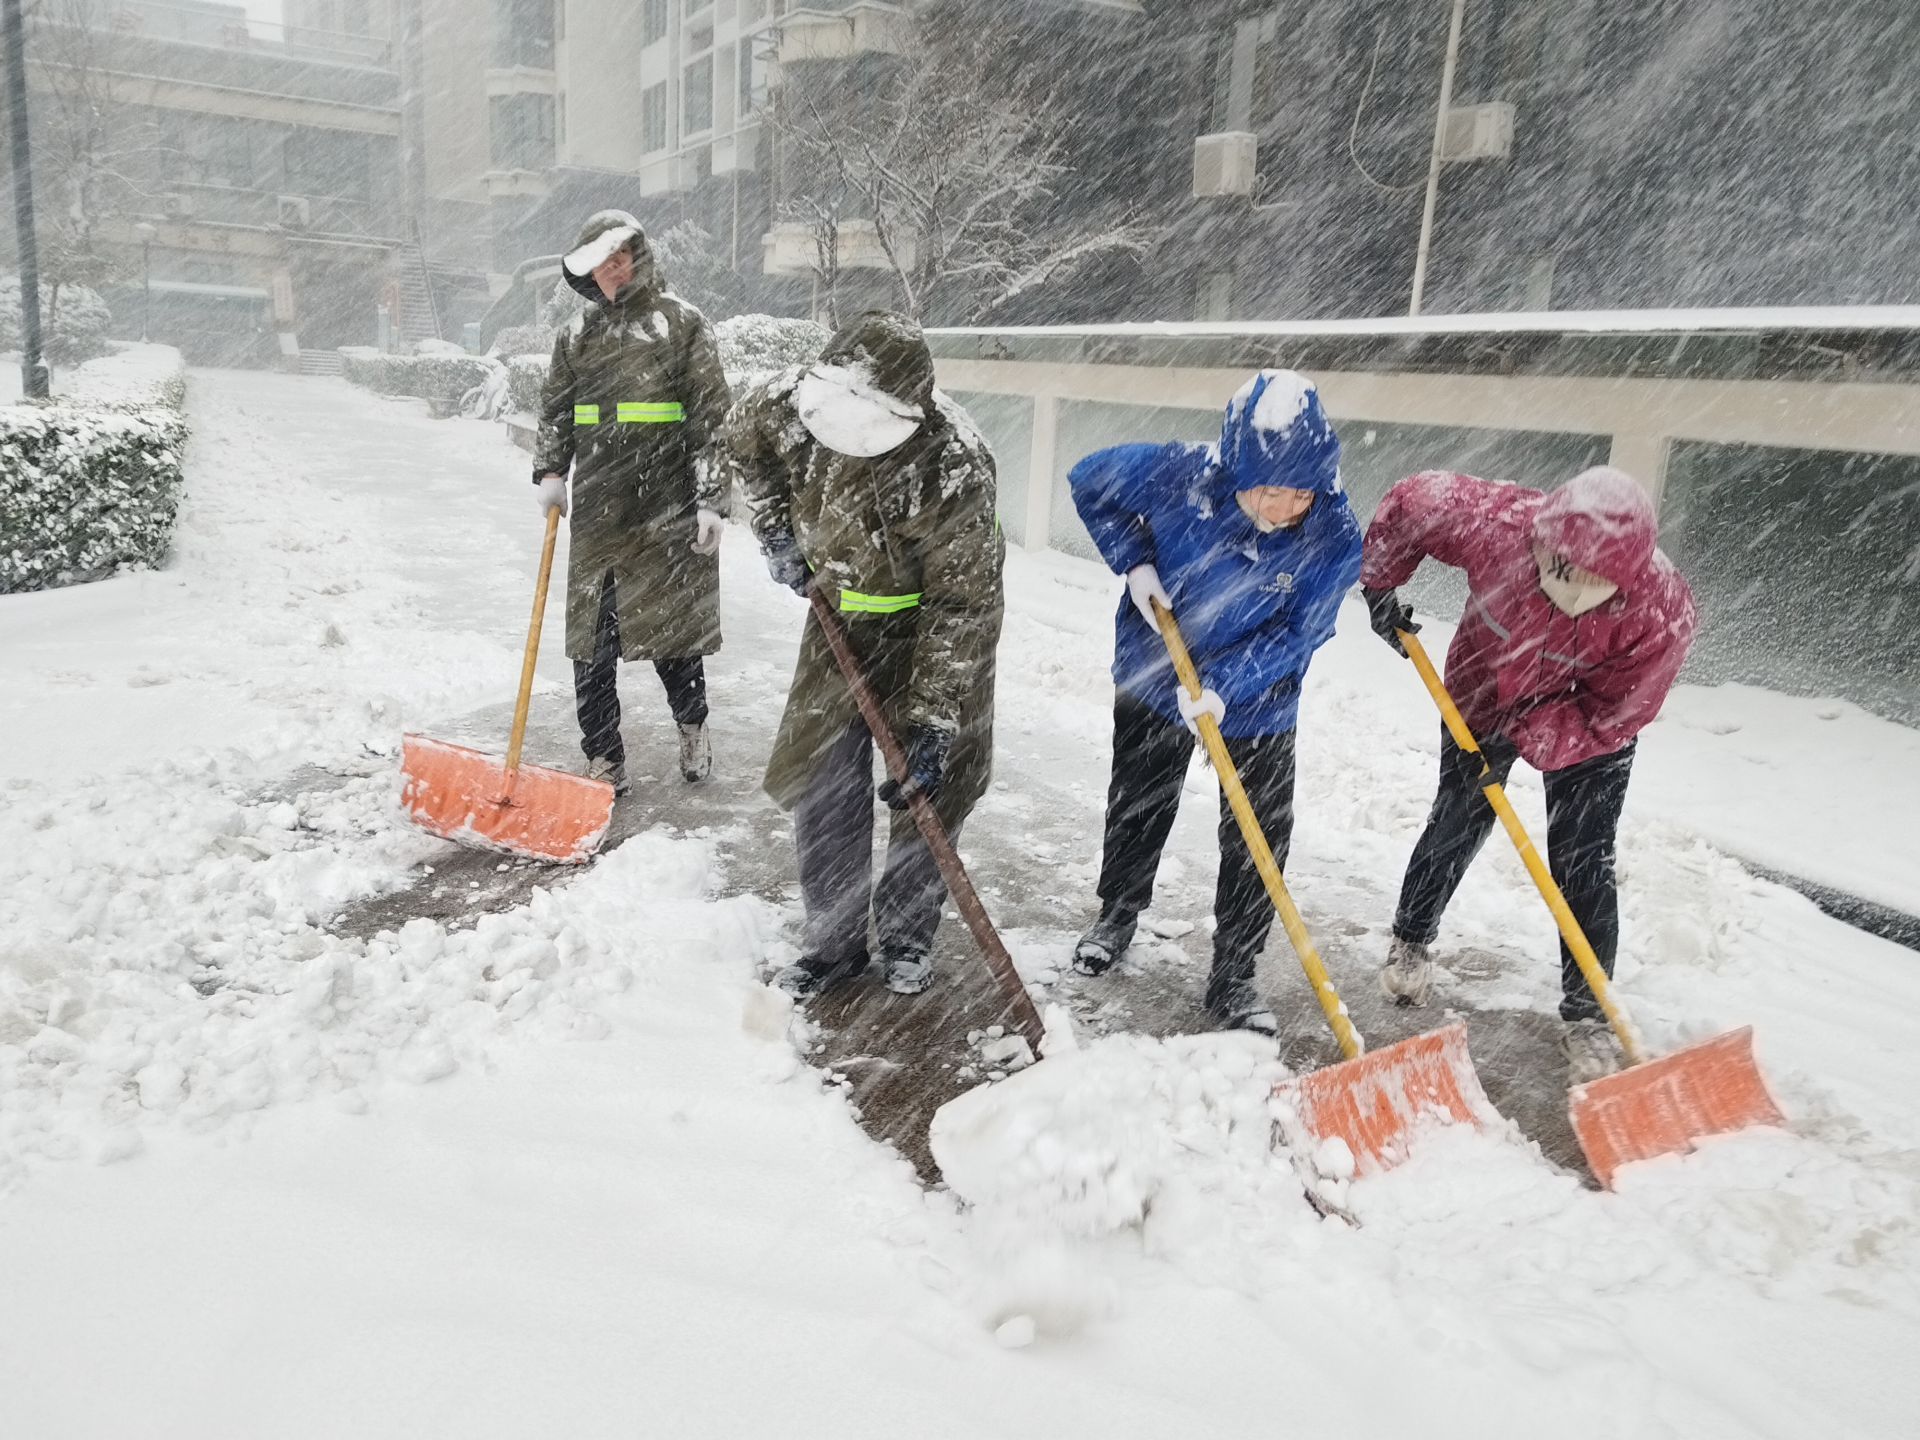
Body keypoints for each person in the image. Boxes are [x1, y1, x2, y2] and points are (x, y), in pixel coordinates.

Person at [1359, 465, 1697, 1081]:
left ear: (1625, 576)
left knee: (1582, 855)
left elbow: (1615, 713)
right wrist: (1381, 585)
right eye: (1557, 564)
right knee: (1458, 818)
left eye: (1592, 577)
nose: (1569, 583)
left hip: (1589, 723)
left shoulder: (1660, 612)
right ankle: (1411, 939)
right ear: (1539, 536)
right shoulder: (1497, 524)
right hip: (1483, 690)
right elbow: (1410, 503)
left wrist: (1533, 729)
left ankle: (1589, 1012)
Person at [1067, 370, 1362, 1035]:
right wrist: (1135, 560)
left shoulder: (1335, 536)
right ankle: (1118, 912)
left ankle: (1234, 969)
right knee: (1139, 800)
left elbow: (1302, 631)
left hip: (1260, 698)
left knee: (1259, 834)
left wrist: (1227, 685)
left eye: (1297, 494)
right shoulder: (1184, 474)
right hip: (1154, 668)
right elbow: (1089, 479)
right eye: (1264, 488)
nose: (1281, 505)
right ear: (1235, 469)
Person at [721, 312, 1004, 999]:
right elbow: (743, 446)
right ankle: (835, 943)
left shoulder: (953, 463)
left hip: (929, 632)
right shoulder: (789, 402)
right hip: (837, 621)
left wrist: (934, 718)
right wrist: (777, 532)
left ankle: (907, 937)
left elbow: (962, 604)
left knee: (928, 793)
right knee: (825, 785)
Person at [532, 209, 731, 794]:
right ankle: (603, 756)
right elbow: (556, 408)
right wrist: (550, 469)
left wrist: (712, 500)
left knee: (673, 638)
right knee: (591, 644)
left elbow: (713, 418)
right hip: (599, 516)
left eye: (619, 258)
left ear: (638, 257)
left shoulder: (683, 326)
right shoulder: (577, 336)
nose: (611, 272)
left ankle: (692, 727)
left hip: (665, 512)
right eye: (599, 264)